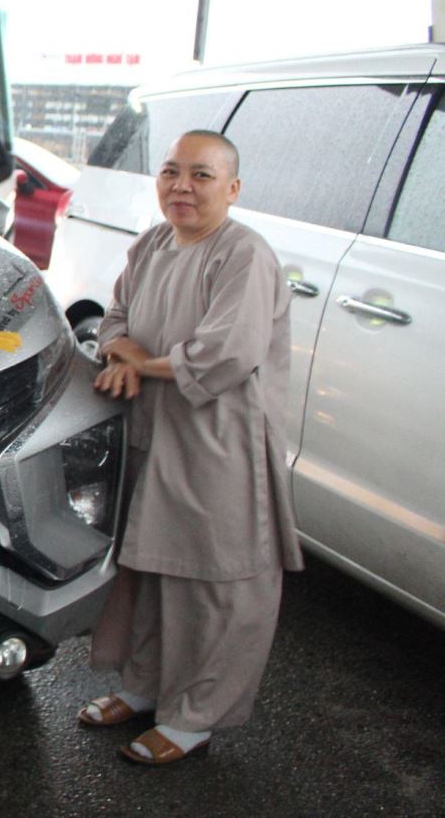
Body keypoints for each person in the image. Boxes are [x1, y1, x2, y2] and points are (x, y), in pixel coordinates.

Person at [79, 129, 303, 766]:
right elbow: (115, 319)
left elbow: (224, 354)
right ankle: (145, 687)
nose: (182, 186)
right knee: (148, 562)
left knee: (212, 580)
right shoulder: (152, 243)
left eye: (201, 175)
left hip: (218, 437)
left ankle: (194, 716)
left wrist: (136, 365)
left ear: (232, 188)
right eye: (171, 172)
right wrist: (122, 353)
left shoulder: (244, 255)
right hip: (152, 428)